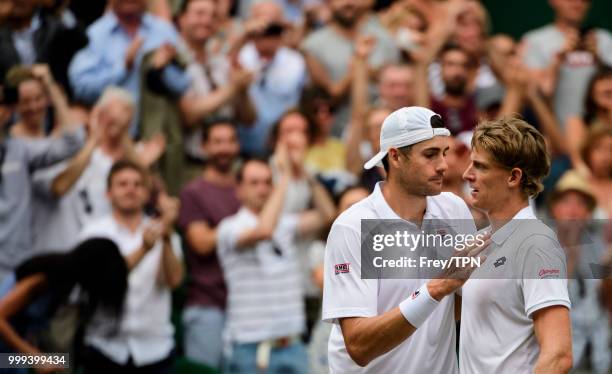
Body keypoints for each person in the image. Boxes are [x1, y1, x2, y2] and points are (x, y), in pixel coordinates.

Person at [323, 106, 487, 372]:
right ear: (396, 156)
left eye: (444, 153)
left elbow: (459, 305)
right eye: (430, 155)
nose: (443, 165)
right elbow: (359, 346)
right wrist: (435, 290)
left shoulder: (454, 209)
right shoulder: (352, 227)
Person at [459, 117, 572, 373]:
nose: (467, 174)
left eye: (479, 166)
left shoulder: (536, 244)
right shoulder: (482, 241)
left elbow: (559, 355)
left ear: (513, 177)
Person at [216, 152, 332, 373]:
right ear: (238, 189)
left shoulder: (286, 223)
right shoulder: (229, 227)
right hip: (249, 345)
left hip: (293, 344)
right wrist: (285, 179)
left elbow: (327, 214)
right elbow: (264, 231)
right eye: (254, 183)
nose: (263, 188)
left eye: (268, 182)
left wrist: (304, 173)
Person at [79, 159, 183, 373]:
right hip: (105, 349)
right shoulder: (93, 233)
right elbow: (101, 284)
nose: (131, 190)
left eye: (138, 184)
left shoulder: (162, 230)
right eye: (123, 184)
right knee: (10, 360)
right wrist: (144, 249)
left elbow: (173, 281)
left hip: (156, 350)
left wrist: (167, 235)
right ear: (108, 193)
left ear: (147, 194)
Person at [0, 238, 128, 374]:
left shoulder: (66, 283)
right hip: (5, 356)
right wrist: (33, 356)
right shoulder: (45, 277)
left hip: (9, 356)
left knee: (62, 361)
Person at [0, 86, 84, 283]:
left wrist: (51, 87)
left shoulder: (19, 149)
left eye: (4, 105)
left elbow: (73, 143)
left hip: (16, 262)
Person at [68, 0, 191, 135]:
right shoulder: (96, 35)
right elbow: (81, 89)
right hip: (113, 138)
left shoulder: (163, 31)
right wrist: (123, 68)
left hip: (159, 136)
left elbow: (184, 85)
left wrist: (162, 70)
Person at [178, 119, 241, 369]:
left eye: (230, 141)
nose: (224, 148)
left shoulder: (248, 188)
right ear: (204, 147)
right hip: (207, 306)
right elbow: (201, 243)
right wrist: (245, 229)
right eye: (217, 142)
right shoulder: (193, 192)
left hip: (246, 307)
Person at [301, 0, 399, 136]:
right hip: (339, 130)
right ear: (328, 3)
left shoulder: (383, 37)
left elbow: (396, 81)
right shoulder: (312, 45)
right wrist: (359, 65)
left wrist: (363, 67)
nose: (348, 2)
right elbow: (329, 95)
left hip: (385, 126)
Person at [548, 170, 610, 374]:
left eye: (580, 203)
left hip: (598, 354)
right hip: (560, 355)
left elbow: (605, 301)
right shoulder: (543, 248)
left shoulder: (599, 247)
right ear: (554, 208)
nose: (573, 210)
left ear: (588, 213)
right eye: (567, 202)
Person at [522, 0, 612, 127]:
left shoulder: (604, 39)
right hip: (555, 135)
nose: (577, 3)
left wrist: (598, 59)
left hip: (601, 133)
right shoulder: (535, 41)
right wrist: (559, 58)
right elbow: (539, 92)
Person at [236, 1, 306, 156]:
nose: (266, 36)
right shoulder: (239, 56)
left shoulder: (295, 61)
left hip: (283, 146)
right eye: (260, 30)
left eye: (273, 30)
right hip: (242, 145)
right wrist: (243, 36)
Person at [0, 0, 87, 96]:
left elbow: (81, 42)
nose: (19, 1)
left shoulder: (52, 28)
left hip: (55, 97)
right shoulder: (2, 35)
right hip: (13, 103)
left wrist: (60, 9)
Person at [4, 64, 70, 139]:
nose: (33, 107)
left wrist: (49, 83)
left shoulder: (51, 135)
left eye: (38, 98)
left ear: (47, 98)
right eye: (25, 102)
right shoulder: (11, 139)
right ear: (15, 105)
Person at [566, 68, 612, 173]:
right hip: (587, 177)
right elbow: (577, 161)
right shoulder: (577, 121)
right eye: (603, 80)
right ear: (591, 91)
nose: (609, 86)